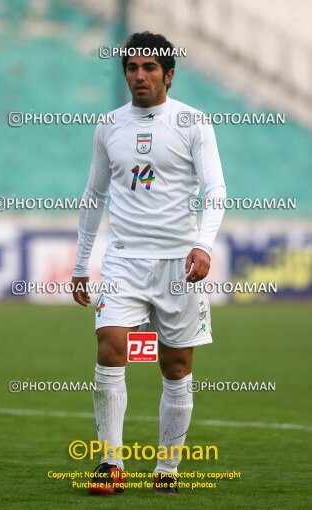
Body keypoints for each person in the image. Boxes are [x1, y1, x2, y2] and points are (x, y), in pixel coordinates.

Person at [71, 31, 226, 495]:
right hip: (123, 261)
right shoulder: (109, 125)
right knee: (110, 347)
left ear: (169, 74)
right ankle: (110, 464)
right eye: (132, 68)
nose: (139, 76)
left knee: (176, 367)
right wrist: (81, 265)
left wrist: (204, 245)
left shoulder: (193, 122)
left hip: (179, 264)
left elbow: (216, 191)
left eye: (150, 68)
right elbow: (93, 196)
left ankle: (167, 470)